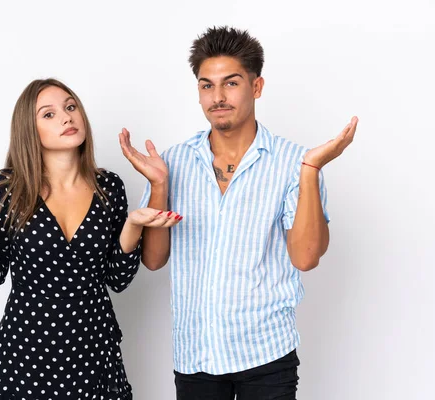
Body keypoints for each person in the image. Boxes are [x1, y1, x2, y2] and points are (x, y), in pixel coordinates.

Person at [119, 26, 358, 400]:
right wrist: (161, 188)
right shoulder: (172, 162)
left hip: (266, 356)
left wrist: (310, 169)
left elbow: (306, 257)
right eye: (206, 85)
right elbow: (153, 260)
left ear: (256, 87)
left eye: (230, 83)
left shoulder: (292, 162)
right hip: (195, 355)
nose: (217, 97)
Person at [0, 78, 181, 400]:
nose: (67, 117)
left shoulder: (109, 187)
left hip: (92, 347)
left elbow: (117, 278)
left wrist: (133, 225)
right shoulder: (9, 188)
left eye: (70, 107)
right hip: (26, 349)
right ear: (29, 129)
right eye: (49, 114)